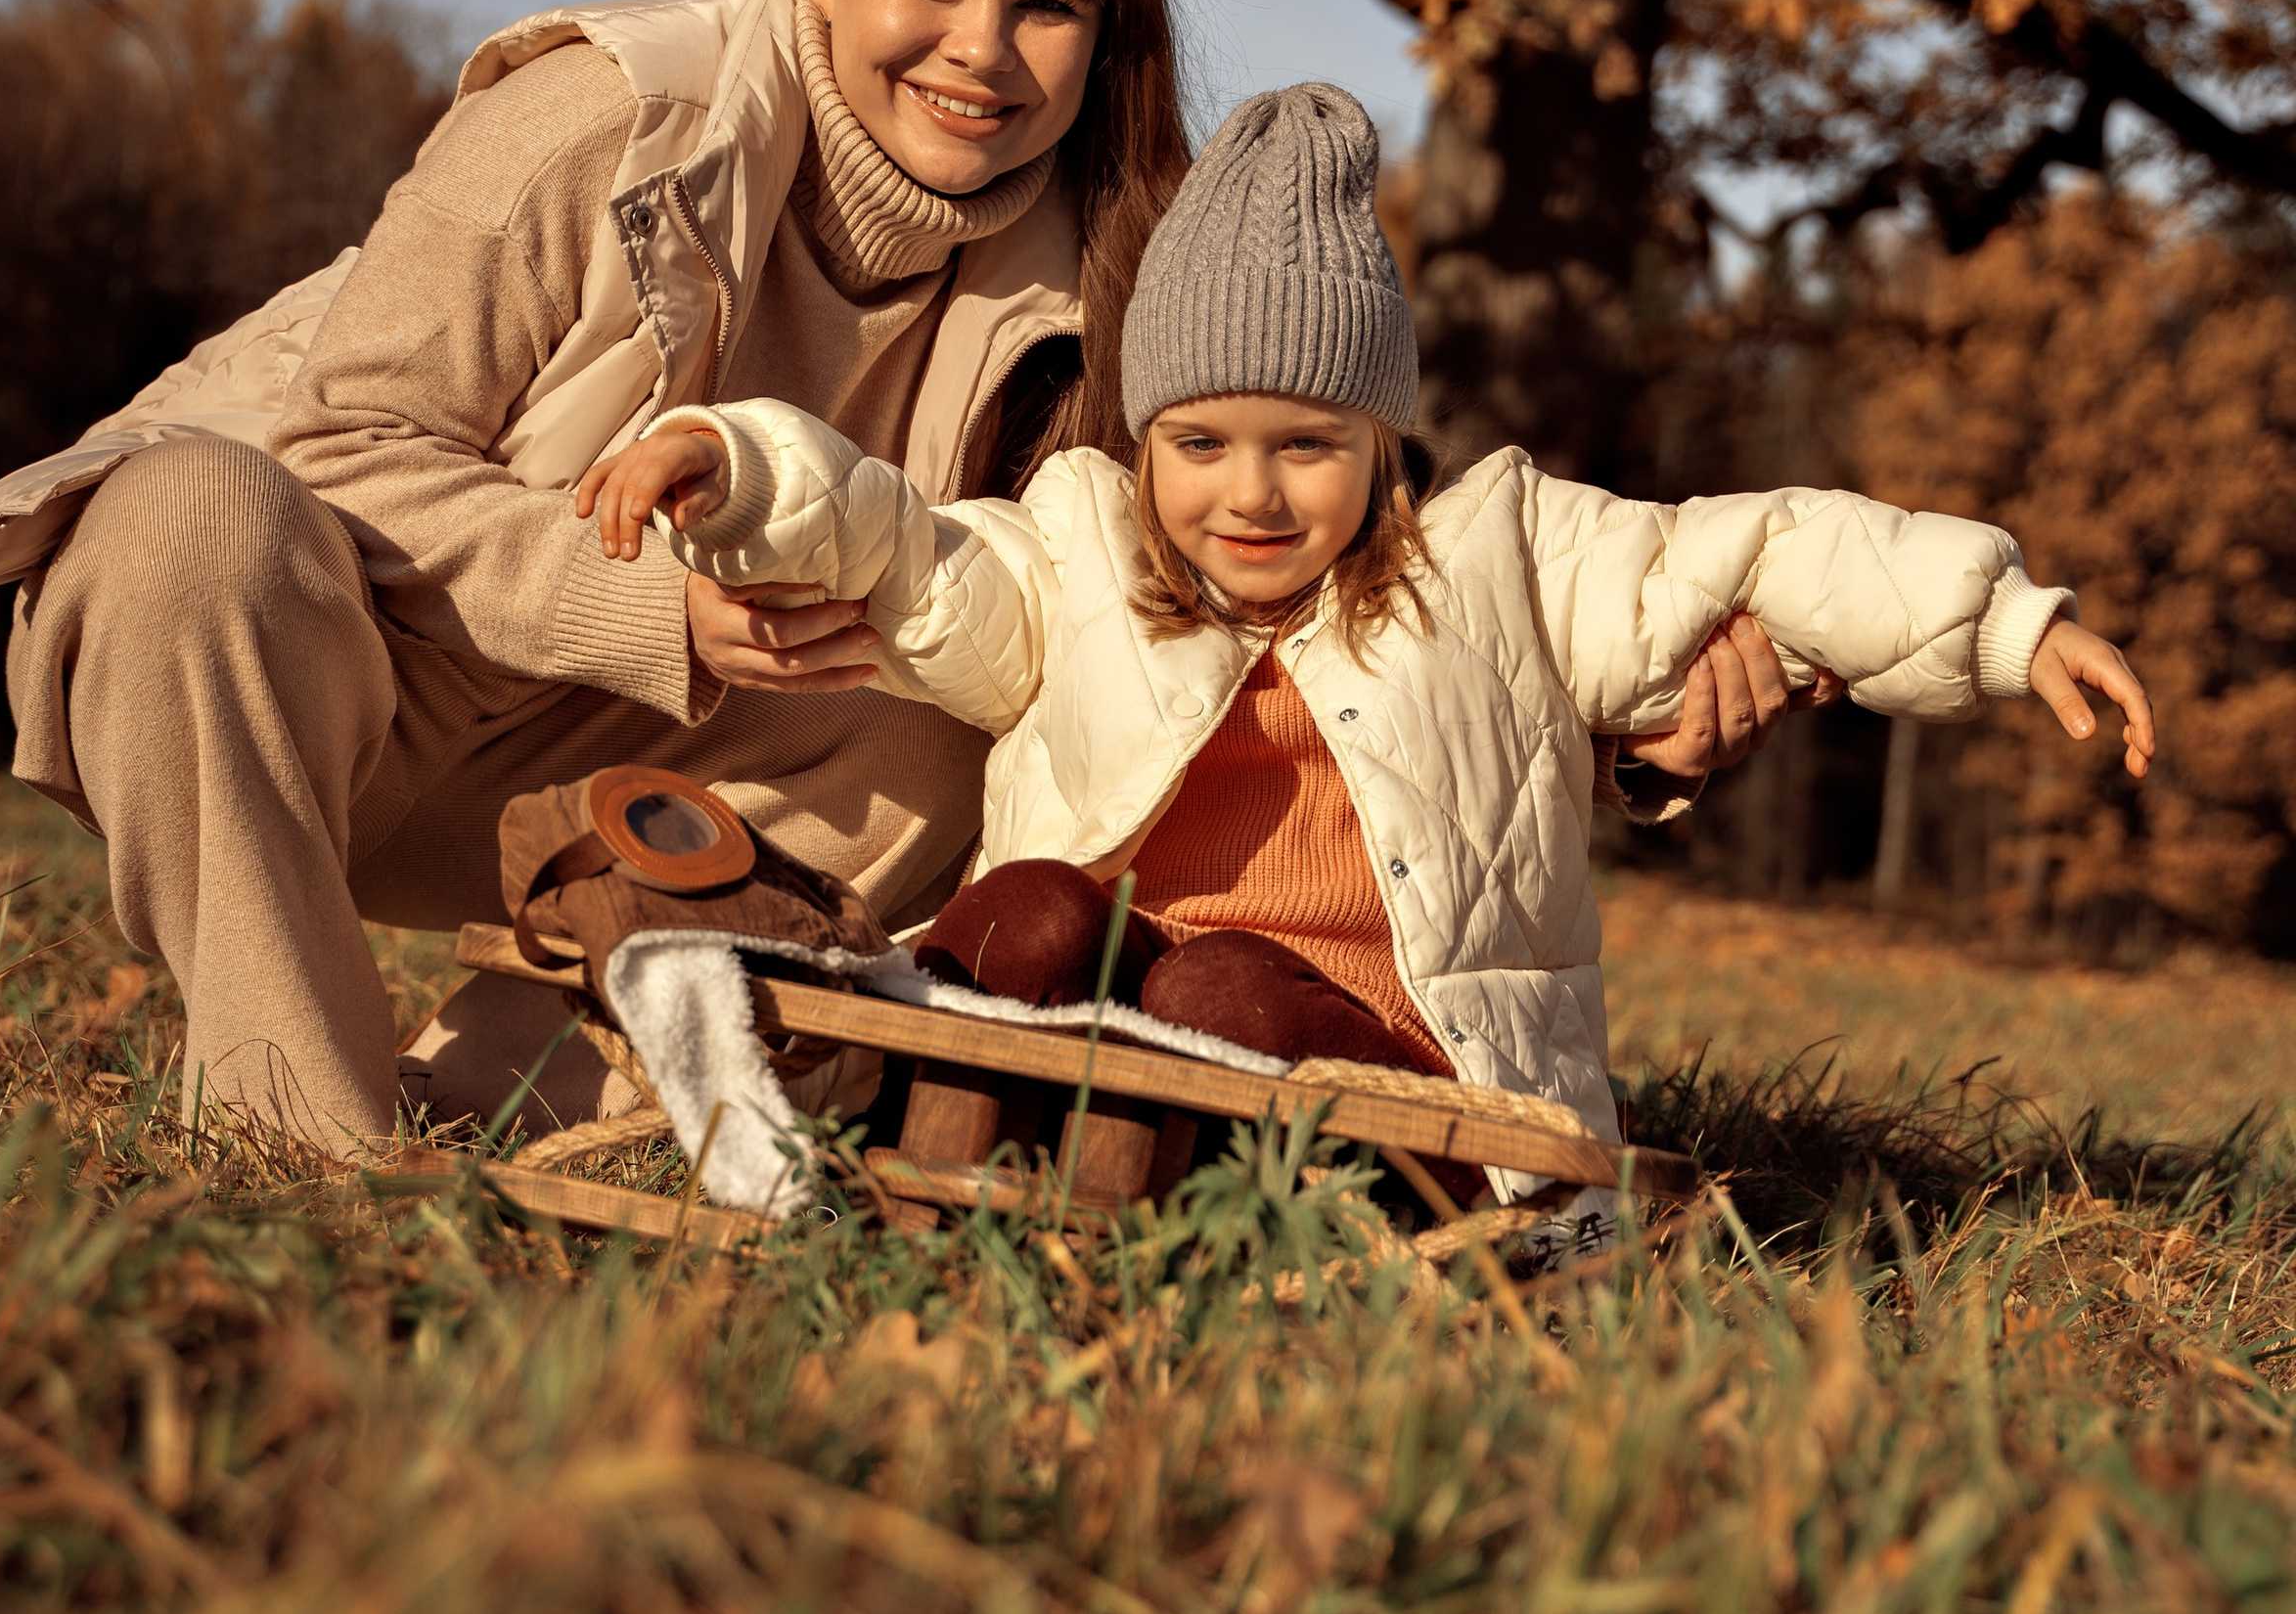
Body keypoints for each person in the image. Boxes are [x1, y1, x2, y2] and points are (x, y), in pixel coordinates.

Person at [0, 0, 1793, 1156]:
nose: (981, 49)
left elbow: (1295, 565)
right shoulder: (600, 121)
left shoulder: (1129, 270)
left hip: (675, 773)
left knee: (971, 680)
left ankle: (558, 1081)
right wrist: (653, 620)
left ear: (1100, 36)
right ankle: (291, 1113)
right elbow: (350, 446)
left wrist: (1615, 704)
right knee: (182, 519)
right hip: (349, 671)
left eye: (1046, 3)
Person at [585, 83, 2154, 1146]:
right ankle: (884, 1097)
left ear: (1384, 443)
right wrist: (730, 465)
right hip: (1109, 1023)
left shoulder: (1503, 558)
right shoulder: (1075, 549)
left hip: (1405, 1070)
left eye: (1307, 449)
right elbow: (905, 549)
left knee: (1208, 987)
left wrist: (2010, 623)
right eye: (1199, 445)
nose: (1250, 497)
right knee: (1043, 904)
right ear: (1143, 442)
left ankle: (1131, 1160)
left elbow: (1763, 552)